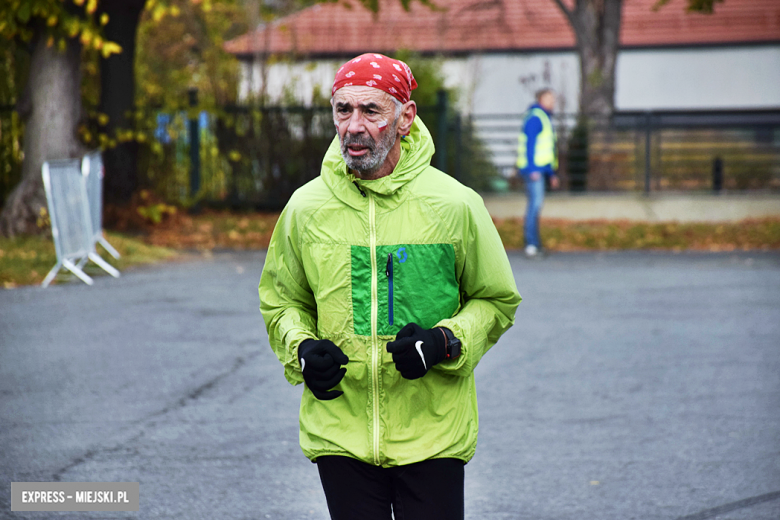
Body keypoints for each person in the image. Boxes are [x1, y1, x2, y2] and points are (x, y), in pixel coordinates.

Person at [258, 53, 521, 520]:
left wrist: (444, 341)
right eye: (343, 110)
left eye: (371, 111)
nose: (353, 126)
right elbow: (283, 301)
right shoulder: (305, 208)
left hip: (433, 432)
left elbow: (495, 300)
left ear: (405, 118)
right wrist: (301, 350)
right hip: (340, 431)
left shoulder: (456, 205)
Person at [517, 88, 560, 257]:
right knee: (534, 206)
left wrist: (551, 174)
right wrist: (533, 169)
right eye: (550, 98)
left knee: (535, 206)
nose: (553, 102)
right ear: (541, 99)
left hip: (540, 170)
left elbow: (546, 150)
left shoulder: (544, 117)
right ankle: (531, 244)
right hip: (534, 171)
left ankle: (534, 243)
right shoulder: (536, 118)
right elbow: (530, 144)